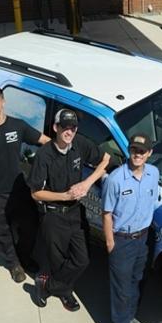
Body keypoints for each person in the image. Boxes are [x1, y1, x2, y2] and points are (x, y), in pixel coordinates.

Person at [28, 108, 110, 311]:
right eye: (65, 127)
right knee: (58, 262)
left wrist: (87, 183)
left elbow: (106, 158)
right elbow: (36, 193)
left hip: (75, 212)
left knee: (82, 260)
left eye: (73, 128)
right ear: (56, 128)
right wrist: (64, 196)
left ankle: (46, 285)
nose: (69, 132)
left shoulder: (80, 143)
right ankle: (65, 292)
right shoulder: (44, 155)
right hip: (53, 216)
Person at [0, 86, 50, 283]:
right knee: (2, 234)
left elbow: (43, 140)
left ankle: (24, 257)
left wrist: (61, 150)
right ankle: (14, 265)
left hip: (19, 190)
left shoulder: (17, 126)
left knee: (30, 226)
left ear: (3, 102)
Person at [102, 134, 159, 323]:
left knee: (137, 282)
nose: (137, 154)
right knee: (121, 291)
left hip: (143, 238)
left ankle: (130, 317)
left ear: (149, 153)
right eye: (134, 150)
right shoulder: (116, 179)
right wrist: (110, 244)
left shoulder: (153, 173)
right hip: (122, 241)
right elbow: (107, 214)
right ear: (129, 151)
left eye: (142, 151)